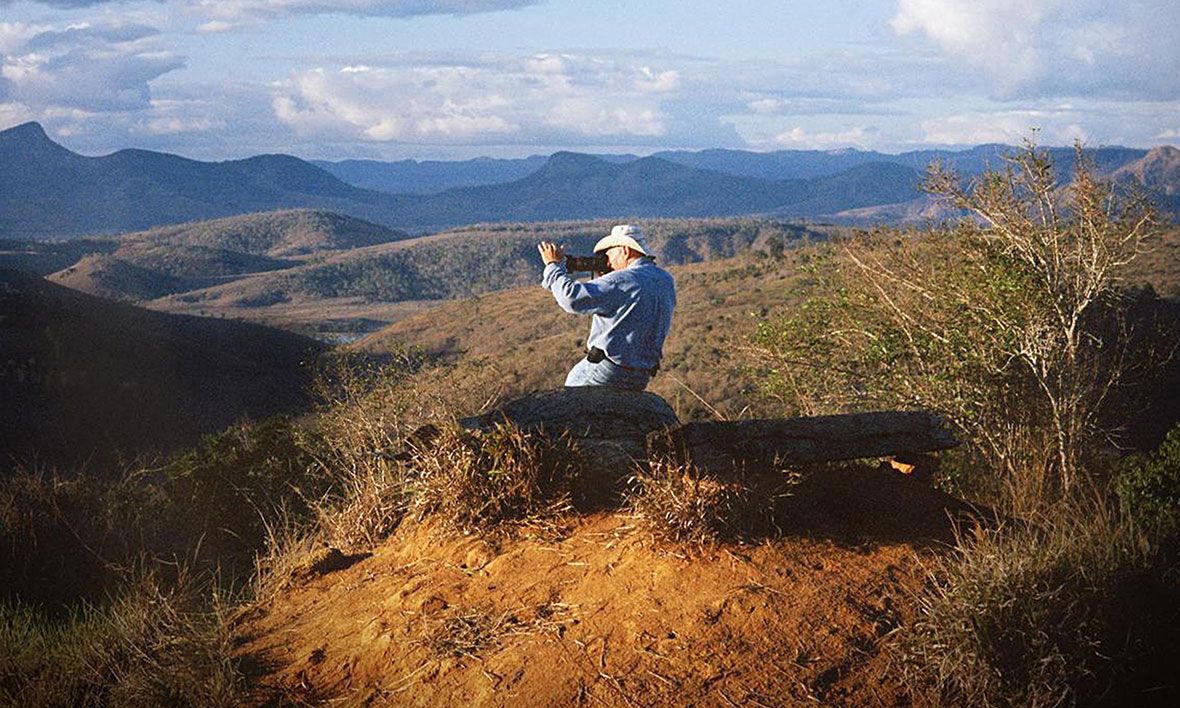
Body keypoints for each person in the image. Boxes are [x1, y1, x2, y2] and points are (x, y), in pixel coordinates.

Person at [537, 224, 676, 391]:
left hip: (609, 371)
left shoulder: (621, 281)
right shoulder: (665, 279)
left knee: (568, 399)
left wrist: (553, 266)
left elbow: (571, 299)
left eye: (608, 253)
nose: (606, 261)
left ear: (625, 251)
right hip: (641, 376)